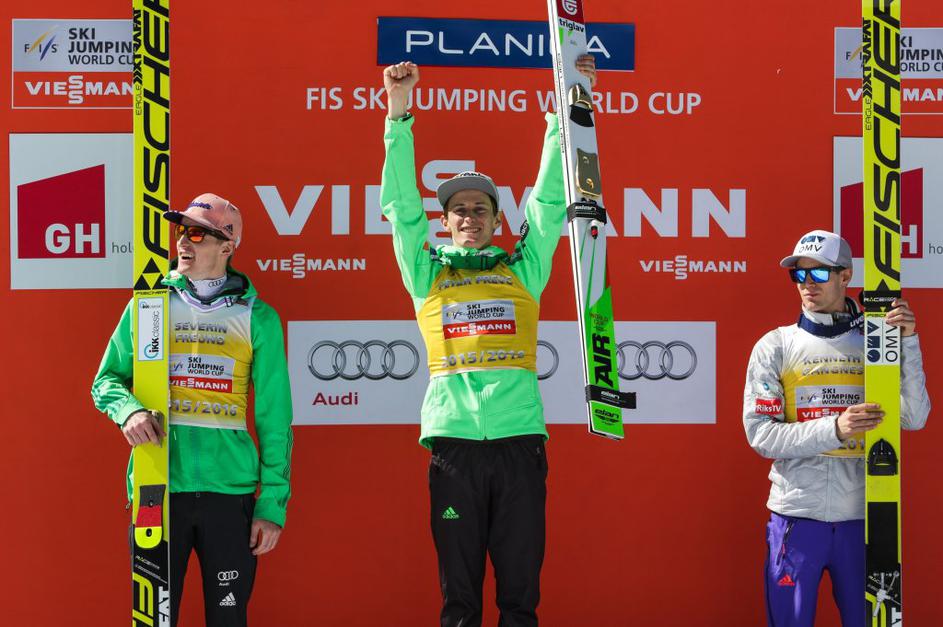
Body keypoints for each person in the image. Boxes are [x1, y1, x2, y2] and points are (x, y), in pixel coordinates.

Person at [380, 56, 596, 626]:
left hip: (520, 444)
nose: (469, 217)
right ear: (445, 222)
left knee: (520, 595)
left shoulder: (523, 270)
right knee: (459, 598)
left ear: (498, 221)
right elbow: (402, 212)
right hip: (453, 447)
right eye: (458, 210)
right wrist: (398, 115)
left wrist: (564, 116)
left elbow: (547, 207)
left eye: (480, 209)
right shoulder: (427, 275)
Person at [92, 193, 293, 627]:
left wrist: (271, 506)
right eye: (182, 231)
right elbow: (106, 380)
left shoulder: (258, 317)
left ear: (228, 246)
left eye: (198, 234)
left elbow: (275, 420)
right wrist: (129, 411)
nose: (183, 241)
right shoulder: (150, 304)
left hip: (230, 492)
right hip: (158, 486)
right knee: (154, 621)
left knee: (228, 619)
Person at [742, 229, 930, 627]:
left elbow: (914, 416)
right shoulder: (775, 345)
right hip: (796, 516)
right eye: (799, 274)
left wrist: (908, 342)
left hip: (863, 518)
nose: (806, 284)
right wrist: (836, 428)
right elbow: (762, 435)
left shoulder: (876, 341)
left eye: (818, 273)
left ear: (845, 276)